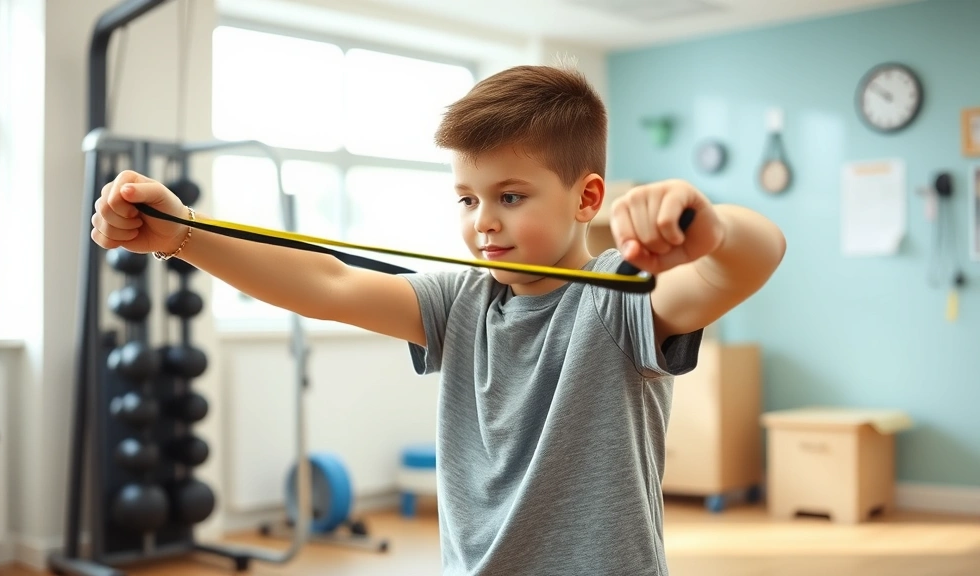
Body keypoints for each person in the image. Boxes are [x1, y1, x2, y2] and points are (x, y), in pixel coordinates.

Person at [91, 64, 786, 576]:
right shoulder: (459, 303)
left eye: (510, 196)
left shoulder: (616, 298)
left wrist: (715, 229)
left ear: (588, 197)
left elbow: (748, 263)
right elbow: (325, 282)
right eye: (466, 199)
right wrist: (182, 234)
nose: (483, 221)